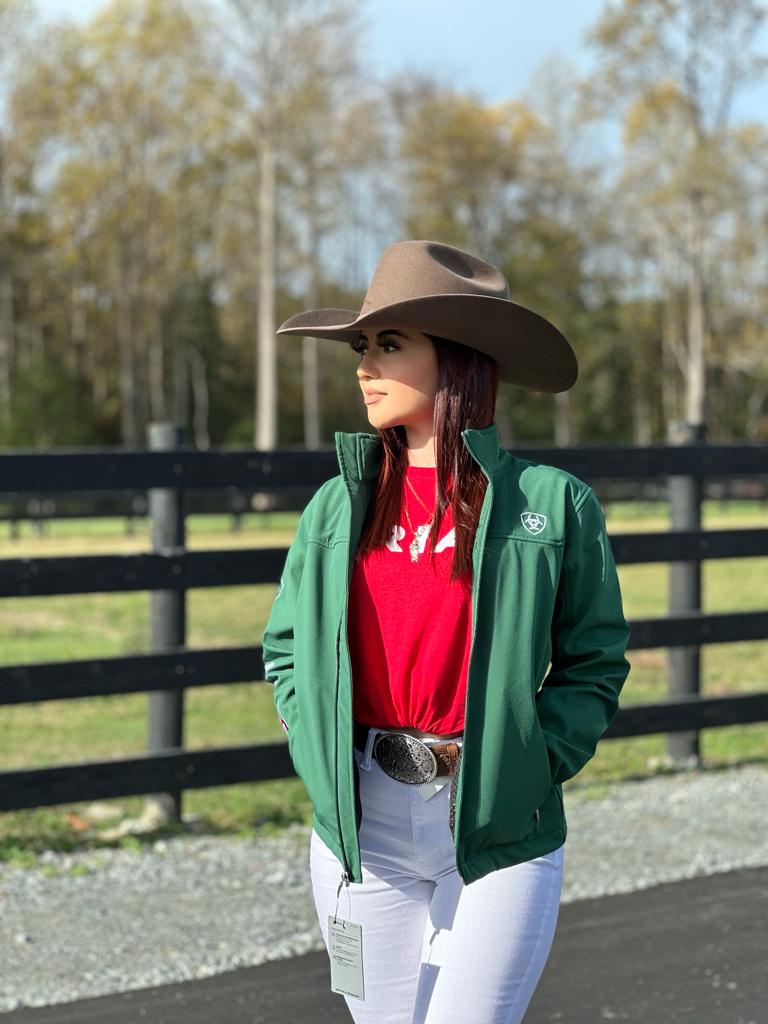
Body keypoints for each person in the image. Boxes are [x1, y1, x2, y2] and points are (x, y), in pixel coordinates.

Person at [262, 239, 631, 1023]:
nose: (365, 365)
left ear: (456, 359)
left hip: (497, 826)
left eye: (389, 345)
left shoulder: (553, 505)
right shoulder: (336, 508)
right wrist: (314, 747)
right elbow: (286, 648)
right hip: (362, 829)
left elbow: (594, 664)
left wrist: (532, 762)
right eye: (362, 346)